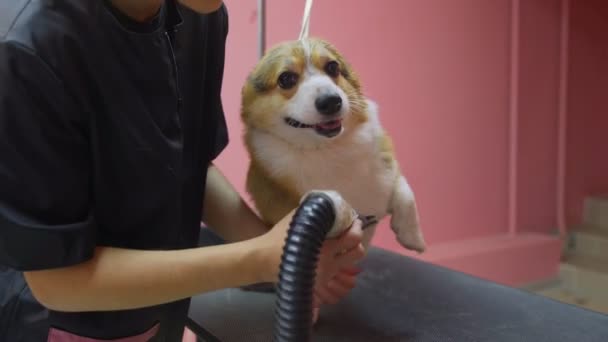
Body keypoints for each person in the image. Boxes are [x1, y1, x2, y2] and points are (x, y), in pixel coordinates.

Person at [0, 0, 365, 340]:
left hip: (158, 314)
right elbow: (57, 281)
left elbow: (185, 163)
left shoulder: (199, 15)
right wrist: (259, 260)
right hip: (54, 323)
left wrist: (286, 253)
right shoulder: (28, 49)